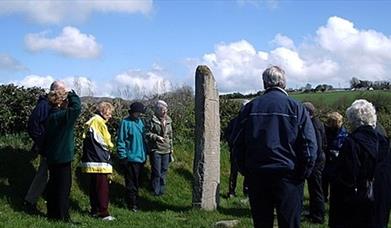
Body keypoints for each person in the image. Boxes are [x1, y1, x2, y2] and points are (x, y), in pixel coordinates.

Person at [232, 65, 317, 228]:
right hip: (288, 175)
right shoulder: (296, 107)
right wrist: (302, 174)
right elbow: (309, 145)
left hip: (258, 174)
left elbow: (237, 143)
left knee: (262, 223)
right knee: (289, 223)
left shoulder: (250, 108)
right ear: (284, 83)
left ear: (264, 84)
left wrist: (246, 170)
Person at [329, 99, 390, 228]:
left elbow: (344, 181)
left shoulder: (351, 143)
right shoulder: (384, 142)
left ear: (353, 121)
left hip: (356, 208)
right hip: (379, 204)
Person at [24, 81, 66, 212]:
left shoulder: (53, 105)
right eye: (62, 90)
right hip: (47, 146)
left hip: (53, 146)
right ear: (54, 90)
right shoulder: (44, 105)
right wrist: (42, 141)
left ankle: (47, 199)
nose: (64, 93)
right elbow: (33, 125)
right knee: (42, 174)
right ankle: (30, 202)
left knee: (50, 175)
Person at [43, 87, 81, 221]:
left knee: (53, 186)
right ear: (60, 102)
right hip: (63, 157)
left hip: (52, 156)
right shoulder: (62, 116)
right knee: (63, 189)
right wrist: (72, 94)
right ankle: (63, 217)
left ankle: (52, 215)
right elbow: (76, 108)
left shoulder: (50, 116)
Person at [80, 102, 115, 221]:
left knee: (94, 186)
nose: (110, 116)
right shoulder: (98, 122)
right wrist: (111, 146)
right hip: (99, 160)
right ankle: (103, 212)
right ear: (103, 111)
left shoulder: (92, 121)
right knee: (102, 187)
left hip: (91, 159)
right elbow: (104, 141)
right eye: (109, 113)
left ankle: (94, 210)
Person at [117, 102, 147, 212]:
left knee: (138, 182)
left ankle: (136, 201)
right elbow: (121, 140)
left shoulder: (140, 122)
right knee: (131, 183)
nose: (140, 115)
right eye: (138, 113)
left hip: (141, 157)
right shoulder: (125, 123)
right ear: (133, 112)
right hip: (131, 158)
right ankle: (132, 204)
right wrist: (123, 156)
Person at [302, 102, 327, 224]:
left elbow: (315, 145)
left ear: (308, 112)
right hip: (320, 158)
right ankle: (313, 212)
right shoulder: (319, 123)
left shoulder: (313, 125)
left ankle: (318, 216)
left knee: (316, 189)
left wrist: (312, 161)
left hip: (316, 161)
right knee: (314, 188)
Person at [146, 100, 173, 196]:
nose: (165, 112)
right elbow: (147, 133)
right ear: (157, 110)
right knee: (156, 171)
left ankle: (161, 190)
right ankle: (154, 190)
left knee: (164, 170)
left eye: (165, 109)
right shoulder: (152, 120)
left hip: (166, 149)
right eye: (162, 110)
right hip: (156, 149)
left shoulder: (169, 120)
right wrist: (156, 137)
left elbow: (170, 136)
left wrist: (171, 149)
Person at [225, 100, 249, 198]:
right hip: (243, 150)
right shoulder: (247, 120)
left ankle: (232, 191)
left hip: (236, 149)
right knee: (245, 171)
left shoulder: (234, 120)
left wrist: (231, 145)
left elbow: (228, 134)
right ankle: (245, 192)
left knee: (234, 171)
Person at [322, 112, 348, 202]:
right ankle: (324, 197)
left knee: (333, 181)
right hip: (328, 158)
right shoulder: (327, 131)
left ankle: (332, 197)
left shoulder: (343, 133)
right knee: (324, 180)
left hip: (336, 159)